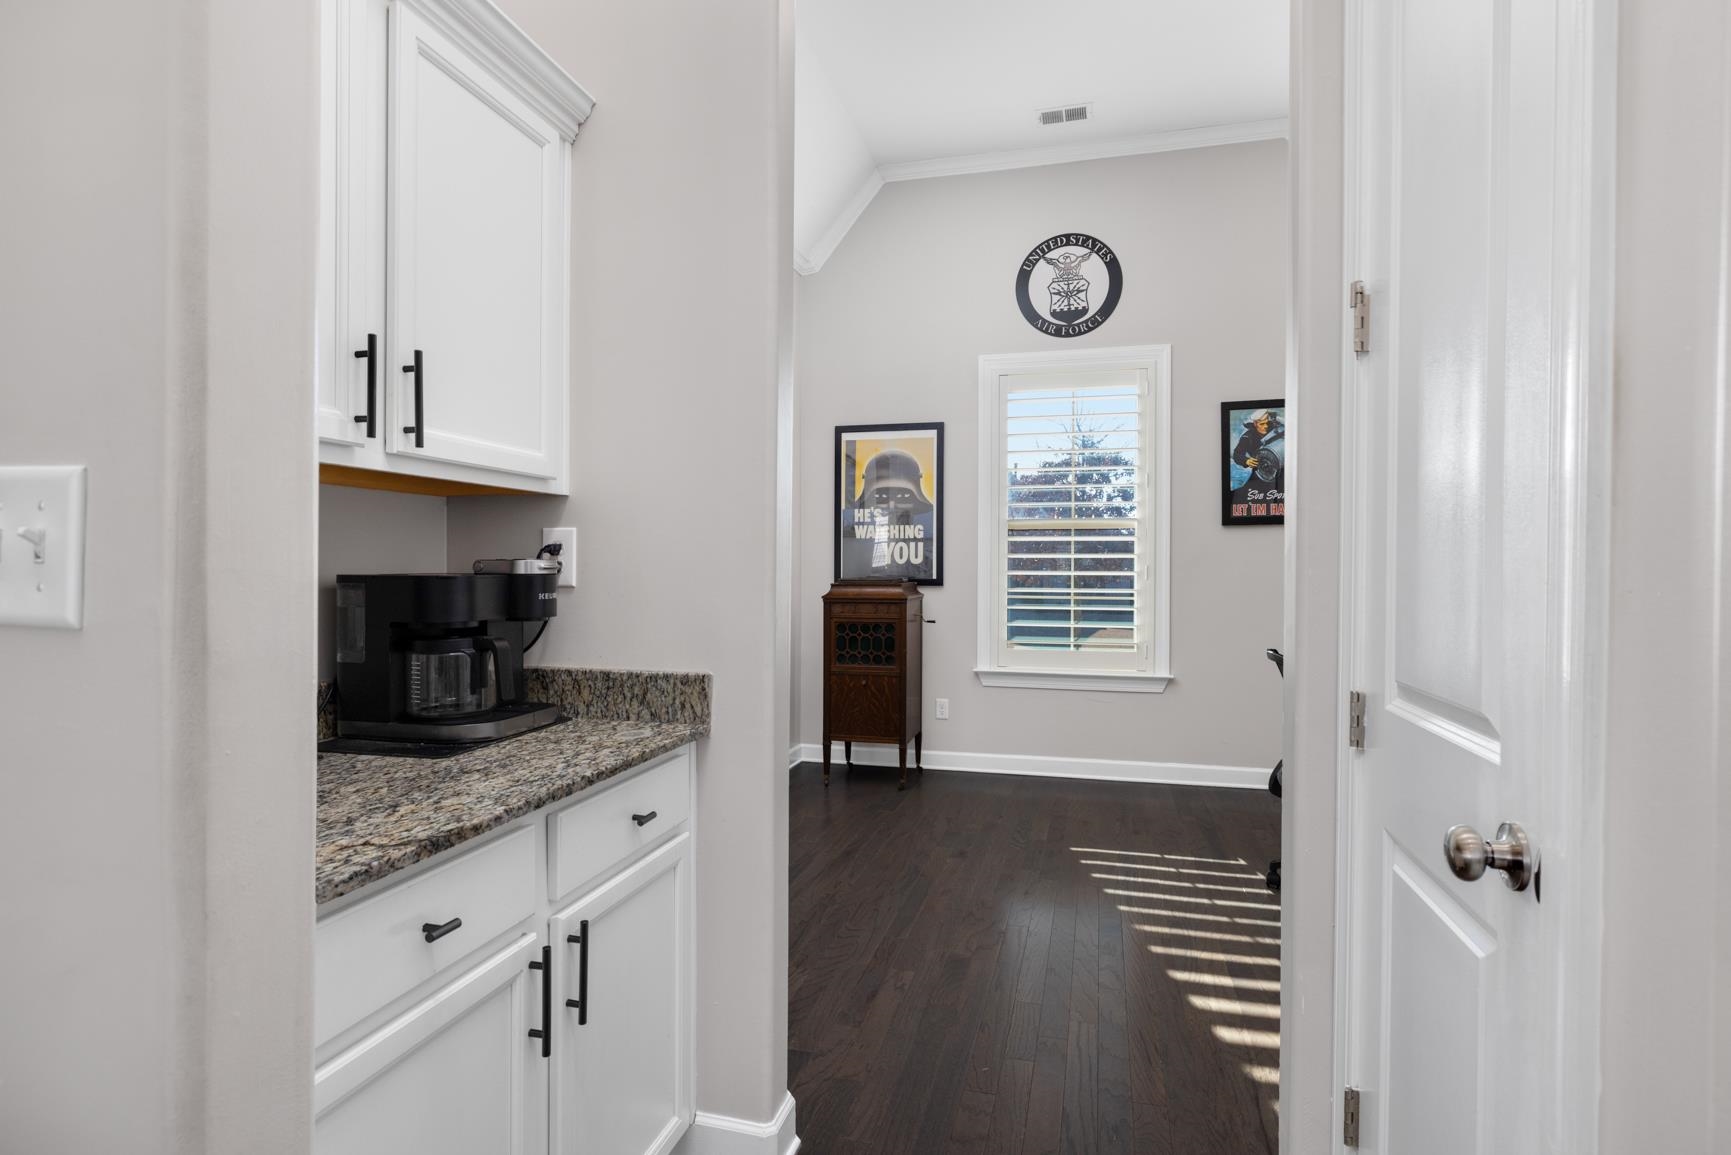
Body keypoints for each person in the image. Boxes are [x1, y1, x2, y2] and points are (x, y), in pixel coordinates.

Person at [840, 448, 935, 581]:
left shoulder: (928, 527)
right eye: (881, 496)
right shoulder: (853, 521)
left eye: (903, 496)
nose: (891, 506)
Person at [1230, 409, 1285, 511]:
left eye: (1267, 423)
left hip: (1282, 469)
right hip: (1260, 470)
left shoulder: (1276, 428)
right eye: (1262, 424)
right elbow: (1237, 454)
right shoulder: (1247, 437)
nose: (1266, 426)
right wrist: (1246, 461)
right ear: (1255, 423)